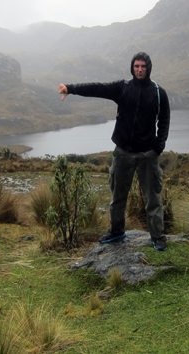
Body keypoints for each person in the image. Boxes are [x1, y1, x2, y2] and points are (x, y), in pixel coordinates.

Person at [58, 52, 170, 251]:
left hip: (147, 155)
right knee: (118, 196)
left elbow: (164, 121)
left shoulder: (158, 93)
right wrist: (71, 88)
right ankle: (117, 231)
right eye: (136, 66)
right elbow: (97, 88)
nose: (139, 69)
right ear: (132, 68)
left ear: (149, 67)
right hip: (123, 153)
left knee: (153, 198)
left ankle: (158, 236)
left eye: (143, 66)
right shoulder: (123, 88)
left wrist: (158, 148)